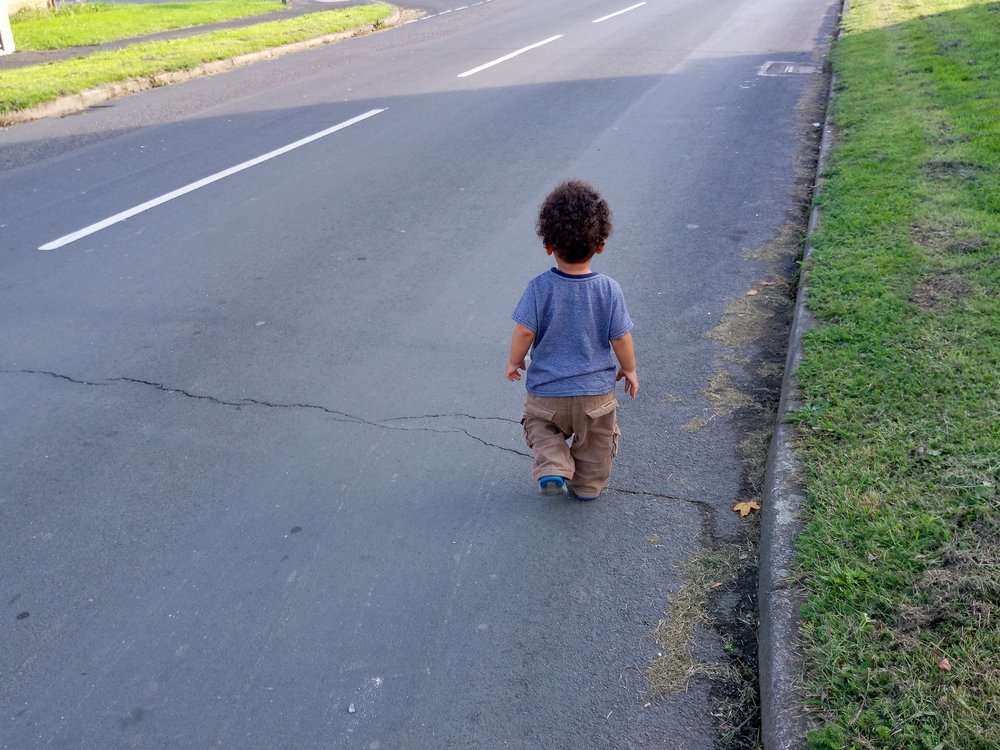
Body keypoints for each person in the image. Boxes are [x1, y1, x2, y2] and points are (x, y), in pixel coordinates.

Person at [506, 180, 639, 501]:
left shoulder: (539, 287)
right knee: (597, 444)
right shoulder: (609, 289)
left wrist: (514, 361)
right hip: (595, 395)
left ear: (548, 245)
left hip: (547, 394)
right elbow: (621, 335)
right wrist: (629, 369)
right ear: (601, 244)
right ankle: (587, 486)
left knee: (542, 430)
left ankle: (553, 465)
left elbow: (525, 331)